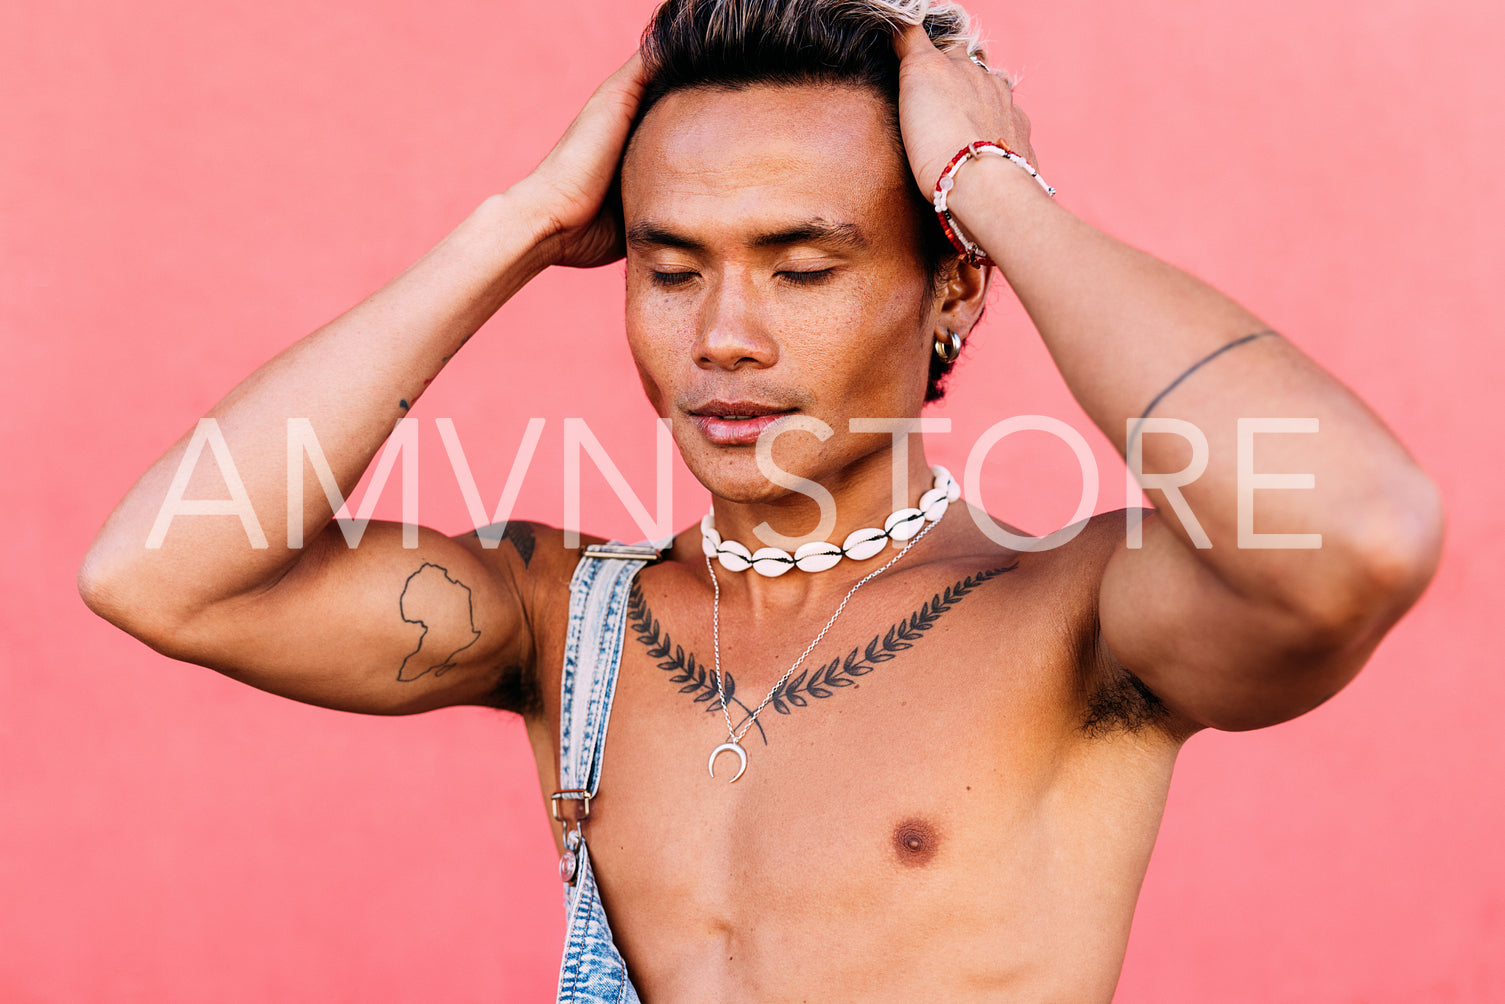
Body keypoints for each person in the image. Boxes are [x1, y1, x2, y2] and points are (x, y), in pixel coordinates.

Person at [78, 0, 1444, 1000]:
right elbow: (160, 573)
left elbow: (1353, 528)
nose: (723, 335)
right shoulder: (565, 623)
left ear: (951, 288)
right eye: (671, 271)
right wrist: (514, 225)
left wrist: (993, 194)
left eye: (801, 270)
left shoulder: (1075, 620)